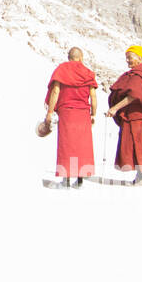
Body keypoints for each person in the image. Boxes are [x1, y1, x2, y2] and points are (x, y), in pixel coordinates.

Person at [107, 45, 142, 185]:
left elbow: (134, 95)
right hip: (137, 118)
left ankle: (141, 176)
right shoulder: (139, 74)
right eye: (126, 58)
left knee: (139, 147)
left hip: (139, 118)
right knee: (138, 147)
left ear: (139, 58)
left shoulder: (140, 75)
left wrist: (115, 108)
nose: (127, 60)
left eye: (130, 57)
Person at [43, 47, 98, 188]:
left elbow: (55, 91)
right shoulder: (88, 73)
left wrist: (49, 112)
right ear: (81, 57)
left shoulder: (62, 70)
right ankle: (80, 180)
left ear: (69, 57)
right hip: (83, 113)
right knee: (82, 146)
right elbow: (93, 96)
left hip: (67, 113)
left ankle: (66, 179)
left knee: (67, 146)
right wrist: (93, 113)